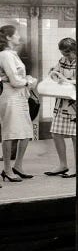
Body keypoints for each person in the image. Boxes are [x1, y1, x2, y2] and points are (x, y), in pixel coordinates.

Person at [0, 25, 37, 183]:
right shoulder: (5, 55)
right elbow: (15, 81)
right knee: (10, 132)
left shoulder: (12, 54)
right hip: (10, 97)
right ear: (8, 37)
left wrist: (24, 80)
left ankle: (18, 166)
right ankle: (7, 169)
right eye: (16, 35)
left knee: (26, 132)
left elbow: (15, 78)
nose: (18, 37)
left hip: (20, 97)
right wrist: (29, 81)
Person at [45, 37, 78, 178]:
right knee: (56, 133)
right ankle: (63, 164)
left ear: (74, 50)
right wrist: (53, 75)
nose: (65, 57)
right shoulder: (62, 60)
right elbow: (54, 74)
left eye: (67, 54)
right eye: (63, 54)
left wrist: (63, 81)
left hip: (75, 104)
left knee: (75, 136)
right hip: (62, 102)